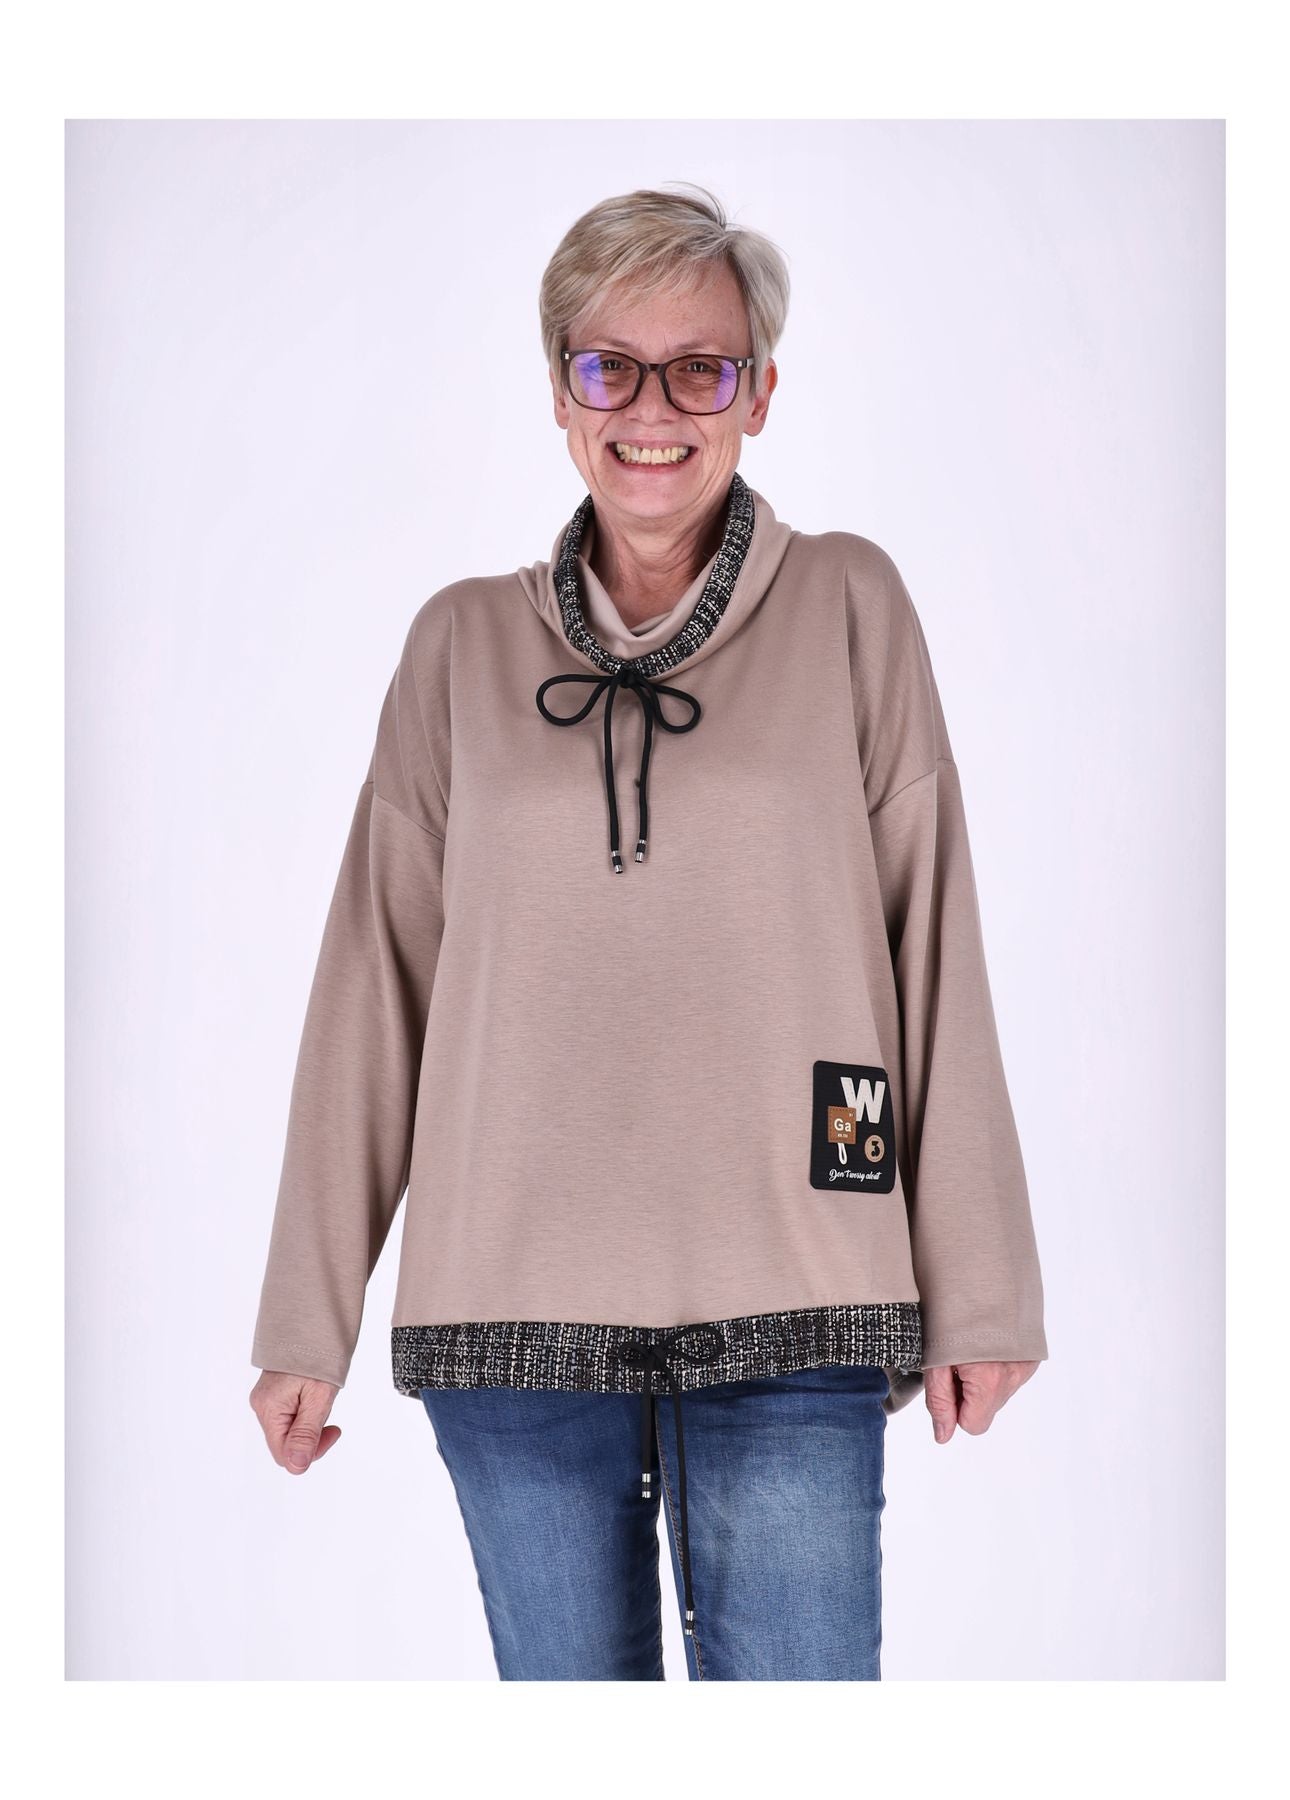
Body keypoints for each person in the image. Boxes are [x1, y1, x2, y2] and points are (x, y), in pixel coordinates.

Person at [248, 182, 1048, 1681]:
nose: (654, 410)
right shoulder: (458, 646)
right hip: (512, 1298)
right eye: (610, 368)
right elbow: (374, 986)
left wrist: (982, 1284)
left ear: (760, 395)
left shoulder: (851, 602)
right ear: (561, 394)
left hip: (803, 1269)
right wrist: (308, 1318)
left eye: (702, 369)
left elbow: (931, 939)